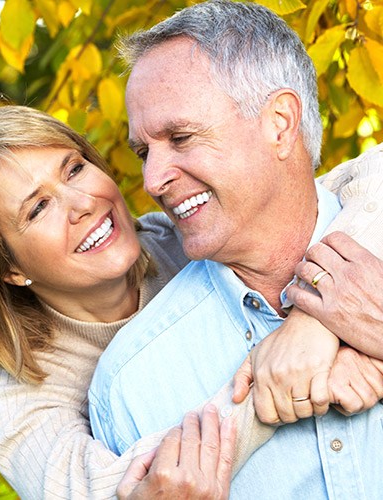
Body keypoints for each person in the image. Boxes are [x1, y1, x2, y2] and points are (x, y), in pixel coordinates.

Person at [88, 1, 383, 498]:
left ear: (280, 124)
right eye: (144, 152)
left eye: (180, 137)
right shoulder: (130, 384)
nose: (152, 180)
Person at [0, 104, 267, 500]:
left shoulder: (183, 239)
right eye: (38, 208)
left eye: (74, 169)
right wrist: (277, 378)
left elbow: (338, 187)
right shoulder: (14, 387)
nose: (84, 203)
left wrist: (313, 323)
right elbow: (130, 489)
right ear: (8, 268)